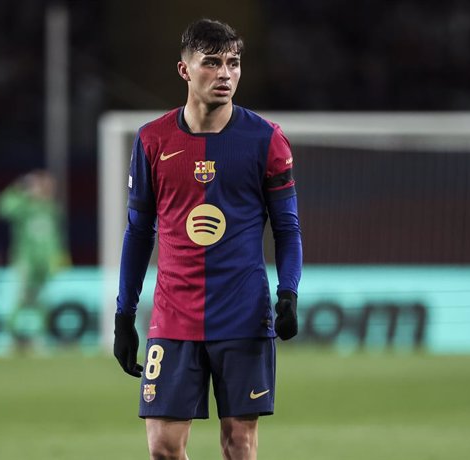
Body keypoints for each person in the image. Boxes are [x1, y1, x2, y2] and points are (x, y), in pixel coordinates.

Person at [113, 19, 302, 460]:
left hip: (243, 312)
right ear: (185, 70)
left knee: (239, 443)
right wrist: (124, 315)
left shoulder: (266, 139)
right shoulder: (152, 141)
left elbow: (288, 228)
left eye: (234, 64)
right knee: (162, 447)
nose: (225, 74)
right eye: (212, 63)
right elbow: (139, 233)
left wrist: (288, 294)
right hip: (174, 314)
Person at [0, 169, 70, 346]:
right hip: (26, 261)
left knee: (43, 301)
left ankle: (38, 336)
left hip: (45, 263)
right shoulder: (23, 206)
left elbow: (55, 238)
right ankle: (10, 336)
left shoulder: (52, 209)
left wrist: (58, 257)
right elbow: (0, 207)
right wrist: (19, 189)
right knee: (20, 299)